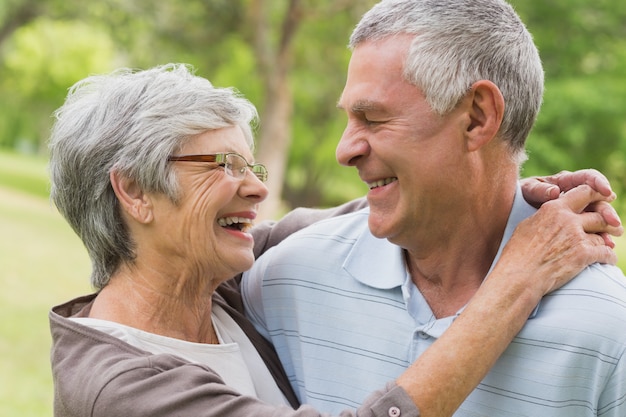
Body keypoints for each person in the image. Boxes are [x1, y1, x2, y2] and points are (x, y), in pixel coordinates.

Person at [47, 63, 619, 417]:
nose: (253, 188)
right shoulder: (114, 385)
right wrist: (515, 282)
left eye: (253, 167)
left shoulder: (228, 279)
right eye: (222, 164)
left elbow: (384, 208)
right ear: (134, 191)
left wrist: (508, 190)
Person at [242, 1, 626, 416]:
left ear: (478, 118)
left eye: (372, 118)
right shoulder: (282, 282)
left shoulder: (607, 328)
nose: (344, 150)